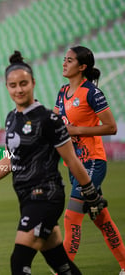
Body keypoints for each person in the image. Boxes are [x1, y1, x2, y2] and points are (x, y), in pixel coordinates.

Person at [0, 51, 108, 275]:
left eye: (24, 84)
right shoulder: (11, 118)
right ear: (7, 87)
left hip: (46, 196)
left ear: (33, 83)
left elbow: (71, 160)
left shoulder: (49, 119)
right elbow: (10, 158)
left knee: (19, 262)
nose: (19, 89)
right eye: (13, 85)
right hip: (27, 199)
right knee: (61, 264)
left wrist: (91, 194)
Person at [54, 45, 125, 274]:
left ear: (82, 67)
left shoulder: (92, 93)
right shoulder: (62, 92)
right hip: (73, 164)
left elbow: (111, 127)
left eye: (70, 60)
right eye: (64, 59)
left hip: (93, 162)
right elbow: (56, 125)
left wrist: (76, 130)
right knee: (101, 218)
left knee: (71, 217)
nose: (64, 63)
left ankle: (62, 271)